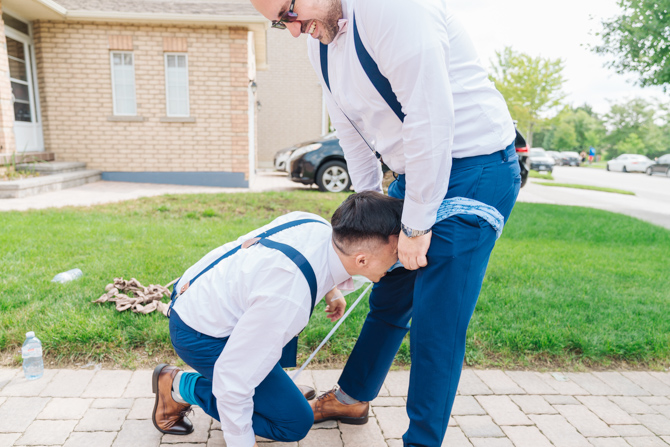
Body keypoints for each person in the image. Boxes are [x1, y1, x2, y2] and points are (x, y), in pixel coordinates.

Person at [249, 0, 521, 445]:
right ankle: (352, 398)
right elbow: (351, 131)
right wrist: (370, 215)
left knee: (437, 319)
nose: (293, 30)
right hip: (417, 169)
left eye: (289, 11)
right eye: (281, 24)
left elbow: (430, 119)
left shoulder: (393, 10)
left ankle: (421, 441)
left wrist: (415, 227)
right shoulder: (320, 40)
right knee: (390, 293)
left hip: (476, 169)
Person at [151, 191, 403, 447]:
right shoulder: (288, 298)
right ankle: (178, 385)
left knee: (274, 340)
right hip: (199, 334)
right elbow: (232, 382)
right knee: (293, 421)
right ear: (362, 259)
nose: (400, 258)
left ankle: (272, 394)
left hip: (200, 295)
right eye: (396, 251)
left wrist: (332, 290)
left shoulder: (314, 224)